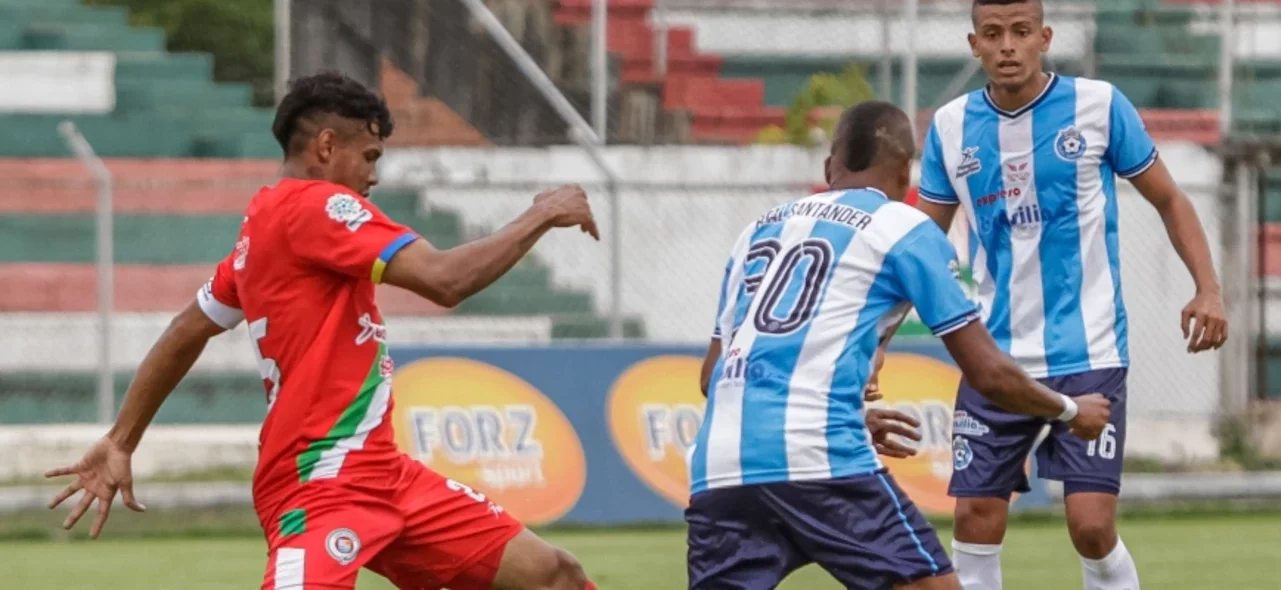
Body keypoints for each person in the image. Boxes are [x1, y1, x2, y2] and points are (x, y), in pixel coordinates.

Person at [44, 72, 602, 590]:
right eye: (370, 154)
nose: (375, 174)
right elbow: (445, 281)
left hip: (384, 474)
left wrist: (122, 440)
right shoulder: (320, 206)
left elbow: (186, 329)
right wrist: (544, 213)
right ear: (327, 147)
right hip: (321, 480)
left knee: (555, 575)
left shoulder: (263, 226)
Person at [686, 100, 1112, 590]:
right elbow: (988, 373)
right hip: (818, 458)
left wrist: (850, 413)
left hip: (719, 469)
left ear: (831, 166)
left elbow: (710, 378)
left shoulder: (756, 230)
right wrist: (1068, 410)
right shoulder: (902, 227)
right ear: (905, 171)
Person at [909, 1, 1230, 588]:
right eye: (994, 33)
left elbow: (1170, 199)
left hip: (1090, 351)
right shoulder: (950, 127)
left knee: (1089, 525)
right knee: (975, 517)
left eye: (1021, 32)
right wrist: (876, 334)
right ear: (974, 44)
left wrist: (1207, 288)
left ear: (1045, 38)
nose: (1008, 45)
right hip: (994, 360)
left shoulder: (1099, 106)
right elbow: (916, 242)